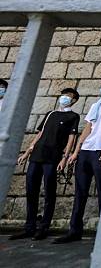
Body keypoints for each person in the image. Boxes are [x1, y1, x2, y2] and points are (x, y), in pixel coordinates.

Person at [54, 75, 101, 244]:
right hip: (86, 150)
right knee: (80, 192)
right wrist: (76, 151)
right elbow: (88, 128)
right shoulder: (96, 105)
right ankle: (74, 230)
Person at [11, 88, 80, 241]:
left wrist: (64, 157)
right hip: (37, 155)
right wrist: (28, 151)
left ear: (74, 100)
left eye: (68, 96)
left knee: (49, 191)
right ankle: (29, 227)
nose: (64, 98)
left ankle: (43, 227)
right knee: (31, 190)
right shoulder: (50, 114)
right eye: (63, 95)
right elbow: (40, 133)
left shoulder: (73, 116)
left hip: (53, 157)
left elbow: (71, 138)